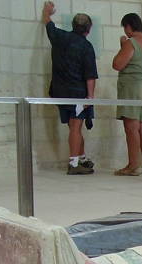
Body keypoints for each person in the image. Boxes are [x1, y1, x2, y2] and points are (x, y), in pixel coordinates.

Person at [41, 1, 98, 175]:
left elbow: (47, 23)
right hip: (77, 94)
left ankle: (81, 158)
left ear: (73, 26)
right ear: (88, 29)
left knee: (74, 127)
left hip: (59, 91)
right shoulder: (86, 46)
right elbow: (90, 75)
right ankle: (74, 163)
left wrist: (47, 12)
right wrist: (90, 97)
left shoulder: (59, 36)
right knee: (75, 127)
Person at [112, 13, 142, 176]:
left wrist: (122, 44)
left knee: (131, 127)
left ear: (129, 26)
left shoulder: (131, 43)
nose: (125, 30)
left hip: (131, 88)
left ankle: (132, 166)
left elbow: (117, 64)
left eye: (125, 27)